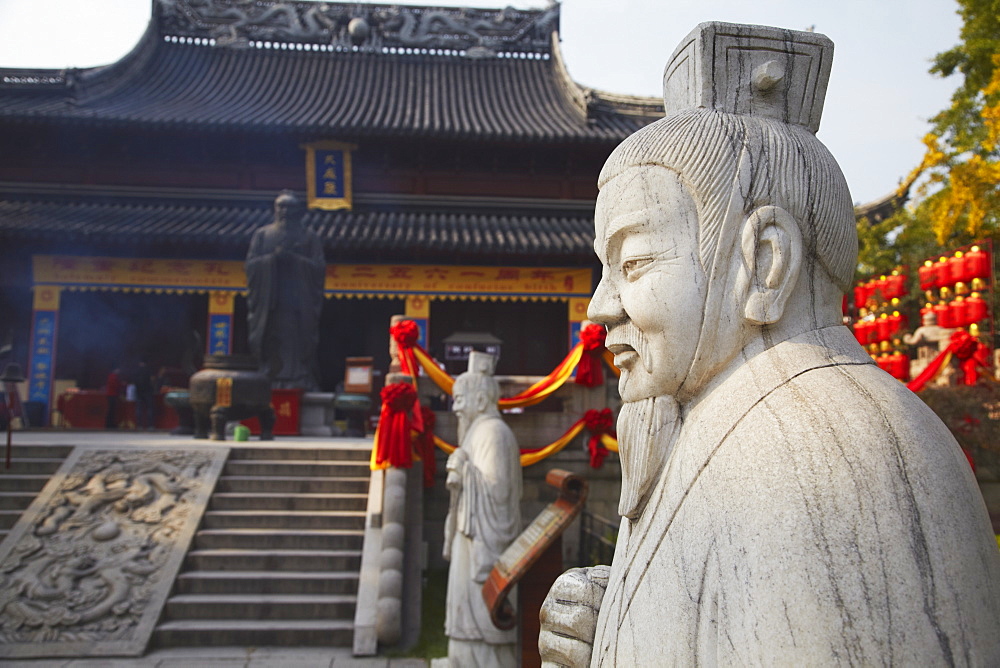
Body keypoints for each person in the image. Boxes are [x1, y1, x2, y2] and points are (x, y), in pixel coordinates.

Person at [538, 22, 1000, 666]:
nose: (600, 306)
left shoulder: (819, 468)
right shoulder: (732, 431)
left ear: (763, 262)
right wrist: (612, 619)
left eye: (635, 263)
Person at [443, 352, 522, 667]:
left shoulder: (493, 433)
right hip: (469, 533)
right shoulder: (478, 431)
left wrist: (465, 473)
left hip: (483, 542)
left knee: (480, 610)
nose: (456, 407)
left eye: (461, 399)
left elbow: (498, 496)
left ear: (480, 399)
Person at [245, 190, 325, 390]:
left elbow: (319, 269)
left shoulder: (309, 237)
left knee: (297, 344)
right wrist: (272, 260)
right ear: (274, 209)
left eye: (289, 207)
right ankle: (268, 374)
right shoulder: (263, 235)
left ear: (298, 211)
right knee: (269, 339)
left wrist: (294, 260)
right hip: (270, 305)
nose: (284, 211)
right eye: (281, 206)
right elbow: (250, 266)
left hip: (297, 307)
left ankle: (299, 377)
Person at [132, 362, 155, 430]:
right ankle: (150, 425)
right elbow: (152, 380)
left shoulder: (136, 371)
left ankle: (139, 425)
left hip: (139, 392)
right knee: (150, 409)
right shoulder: (148, 370)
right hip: (148, 392)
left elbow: (134, 382)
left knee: (139, 409)